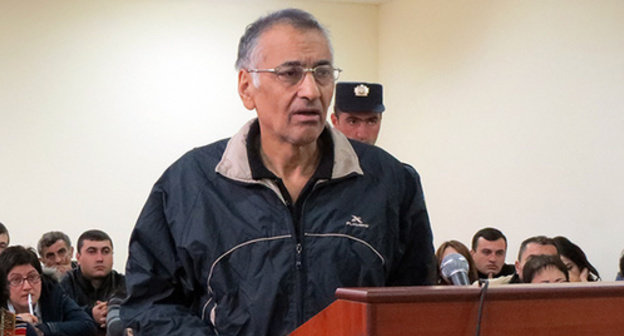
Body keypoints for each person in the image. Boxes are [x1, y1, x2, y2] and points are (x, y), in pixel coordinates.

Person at [121, 8, 434, 336]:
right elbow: (148, 306)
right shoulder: (189, 185)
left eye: (323, 73)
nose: (311, 91)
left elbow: (413, 306)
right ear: (246, 87)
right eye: (290, 73)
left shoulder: (390, 182)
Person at [0, 246, 96, 336]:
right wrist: (16, 323)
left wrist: (42, 329)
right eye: (16, 280)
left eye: (32, 277)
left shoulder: (51, 291)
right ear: (4, 285)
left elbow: (87, 325)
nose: (27, 286)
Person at [60, 230, 126, 335]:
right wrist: (90, 315)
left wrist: (113, 312)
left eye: (105, 251)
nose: (100, 258)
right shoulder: (63, 285)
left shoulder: (125, 284)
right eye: (92, 251)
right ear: (78, 258)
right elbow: (58, 320)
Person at [488, 235, 558, 285]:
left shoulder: (567, 289)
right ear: (517, 267)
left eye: (548, 260)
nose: (540, 266)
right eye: (532, 260)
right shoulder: (493, 290)